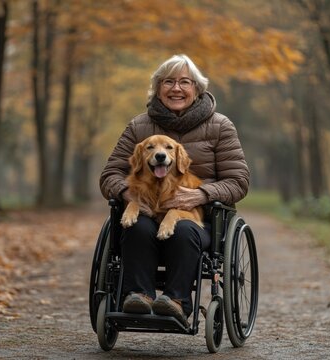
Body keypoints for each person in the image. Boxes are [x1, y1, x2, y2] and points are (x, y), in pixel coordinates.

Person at [99, 54, 249, 326]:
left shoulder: (220, 126)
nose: (176, 88)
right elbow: (110, 174)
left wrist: (202, 194)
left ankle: (176, 301)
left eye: (184, 82)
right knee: (136, 227)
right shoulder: (138, 126)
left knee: (183, 231)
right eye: (168, 82)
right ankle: (137, 296)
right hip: (146, 210)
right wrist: (127, 194)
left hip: (198, 219)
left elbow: (238, 181)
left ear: (197, 89)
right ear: (158, 88)